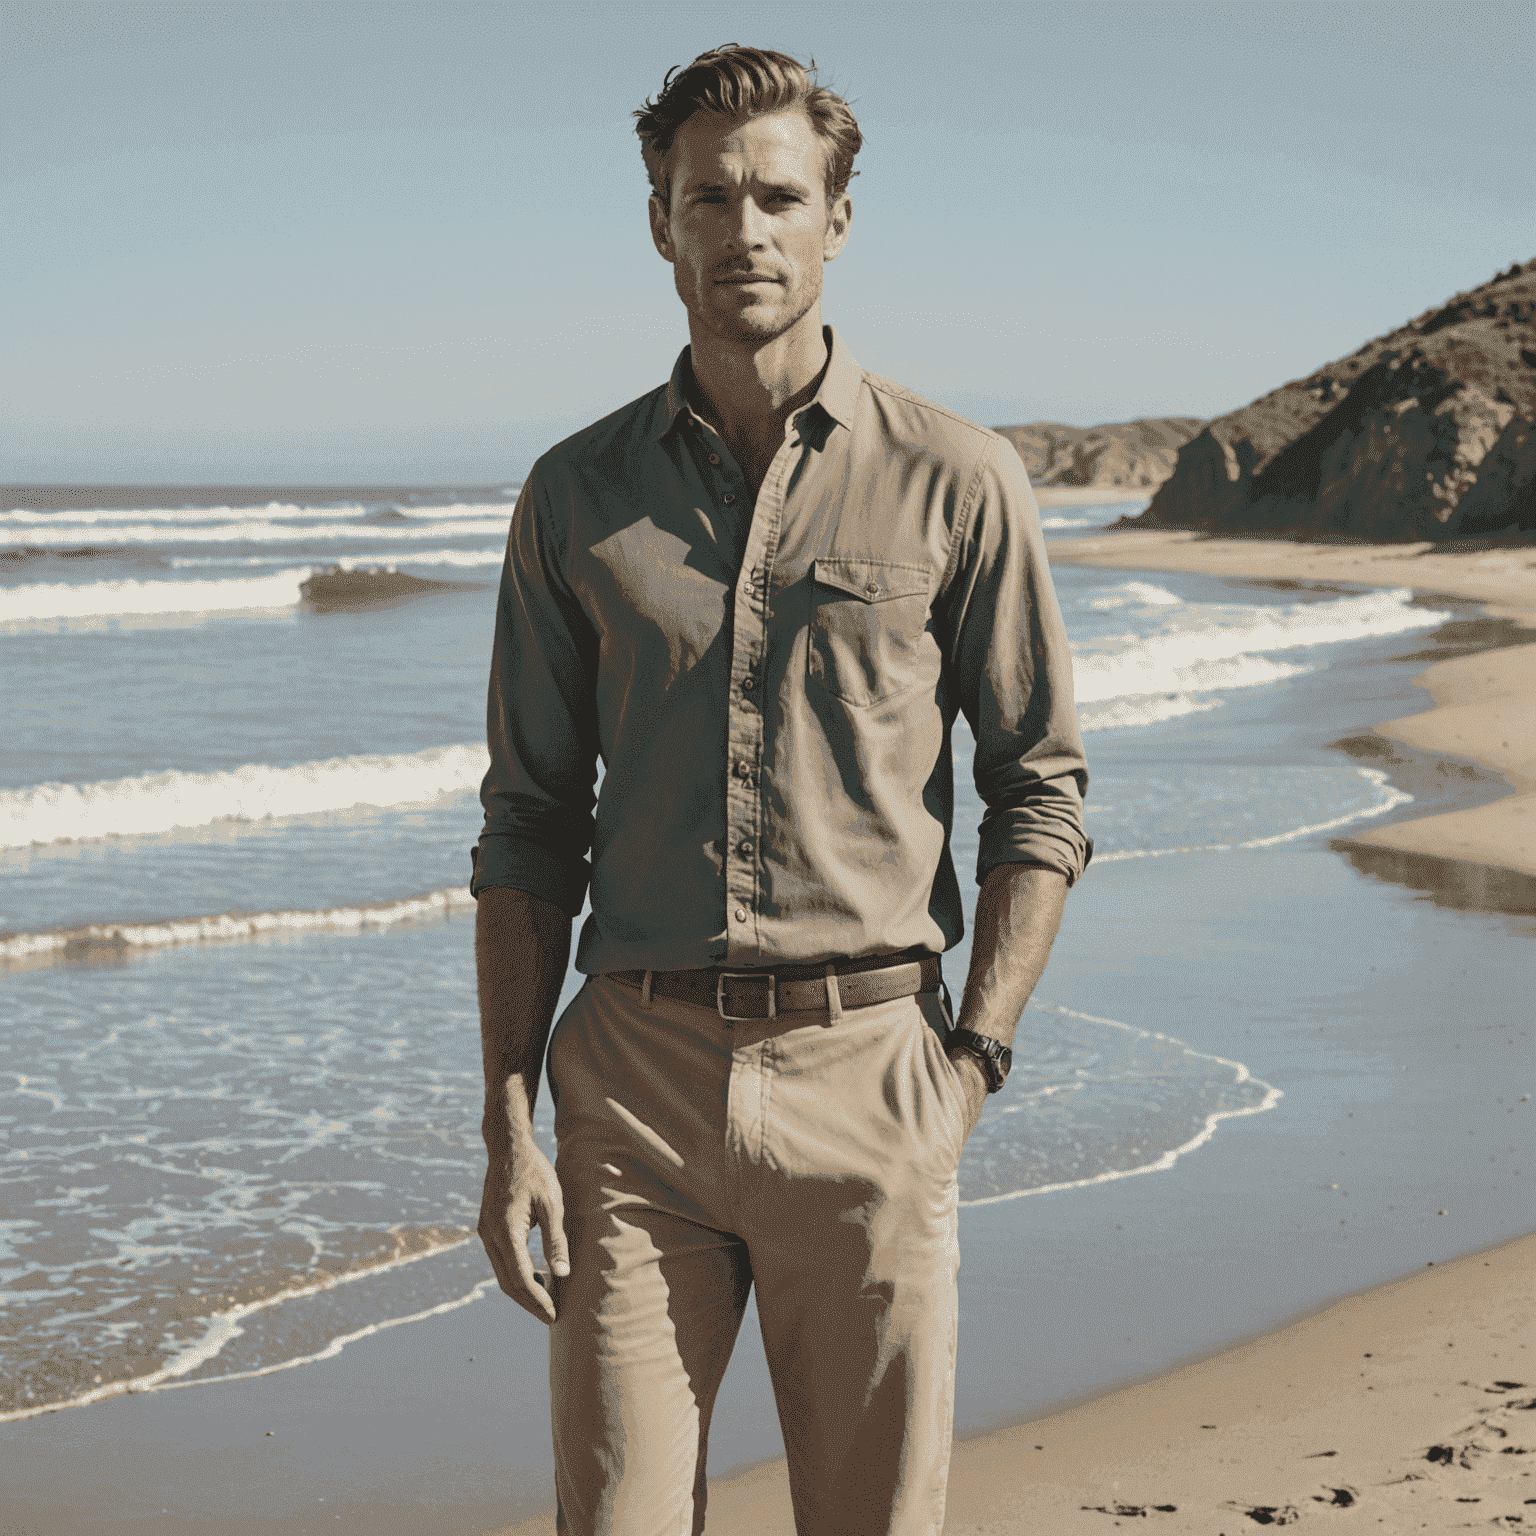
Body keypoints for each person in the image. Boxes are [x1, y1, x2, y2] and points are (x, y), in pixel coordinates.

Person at [471, 44, 1091, 1536]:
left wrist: (971, 1067)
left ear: (836, 221)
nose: (743, 229)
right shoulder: (576, 493)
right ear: (659, 222)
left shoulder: (958, 476)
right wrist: (509, 1124)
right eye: (708, 197)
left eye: (776, 197)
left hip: (872, 1074)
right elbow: (529, 823)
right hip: (632, 1091)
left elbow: (1040, 794)